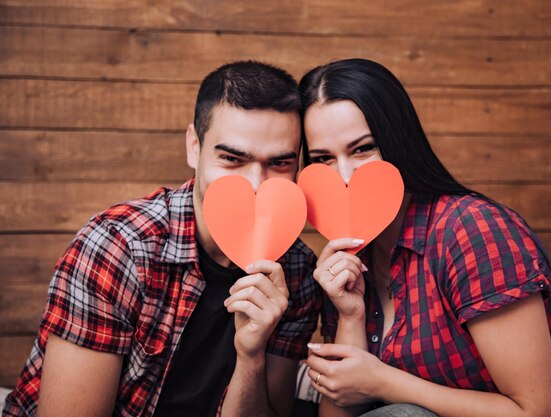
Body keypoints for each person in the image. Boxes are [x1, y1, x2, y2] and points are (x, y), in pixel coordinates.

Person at [3, 61, 321, 417]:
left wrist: (251, 356)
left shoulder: (296, 270)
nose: (255, 185)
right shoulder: (117, 246)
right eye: (232, 159)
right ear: (194, 147)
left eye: (279, 164)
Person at [298, 58, 551, 417]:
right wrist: (350, 317)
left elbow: (541, 413)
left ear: (397, 141)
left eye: (363, 149)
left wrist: (384, 382)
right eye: (322, 158)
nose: (344, 175)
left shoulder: (473, 231)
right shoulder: (344, 260)